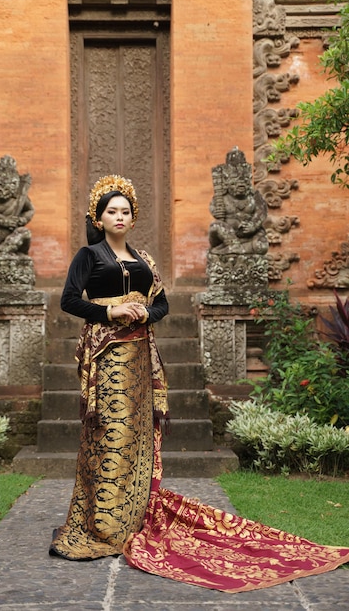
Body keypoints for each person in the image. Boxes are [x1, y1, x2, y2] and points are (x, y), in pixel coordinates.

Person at [49, 175, 349, 592]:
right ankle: (102, 523)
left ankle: (131, 517)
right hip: (107, 358)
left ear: (133, 218)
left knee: (138, 437)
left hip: (140, 358)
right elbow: (69, 300)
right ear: (97, 219)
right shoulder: (89, 255)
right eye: (111, 211)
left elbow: (163, 304)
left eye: (125, 211)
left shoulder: (143, 259)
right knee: (110, 435)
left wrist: (143, 315)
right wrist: (113, 313)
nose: (118, 217)